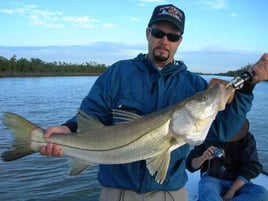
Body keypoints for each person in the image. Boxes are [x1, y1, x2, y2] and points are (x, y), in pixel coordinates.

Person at [40, 4, 268, 201]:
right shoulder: (119, 72)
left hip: (169, 192)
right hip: (117, 191)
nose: (164, 40)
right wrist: (68, 129)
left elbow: (224, 131)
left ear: (180, 41)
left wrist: (248, 87)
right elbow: (92, 112)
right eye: (159, 32)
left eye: (173, 36)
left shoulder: (194, 84)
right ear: (148, 33)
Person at [186, 119, 268, 201]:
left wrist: (232, 190)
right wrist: (203, 158)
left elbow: (252, 166)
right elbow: (190, 165)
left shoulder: (247, 138)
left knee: (261, 194)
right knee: (207, 191)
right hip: (212, 179)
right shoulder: (208, 136)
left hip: (238, 181)